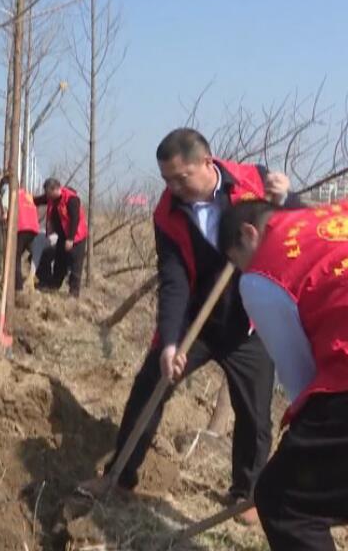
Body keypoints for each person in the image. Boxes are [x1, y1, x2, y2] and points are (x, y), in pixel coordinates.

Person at [77, 128, 300, 523]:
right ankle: (120, 474)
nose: (175, 187)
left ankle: (245, 493)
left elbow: (295, 225)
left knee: (254, 413)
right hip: (197, 320)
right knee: (150, 387)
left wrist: (287, 198)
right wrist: (169, 342)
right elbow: (174, 278)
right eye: (167, 180)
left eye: (182, 177)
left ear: (207, 162)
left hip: (249, 321)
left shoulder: (253, 181)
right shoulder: (167, 213)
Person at [219, 200, 348, 550]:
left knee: (282, 501)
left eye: (238, 261)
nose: (242, 271)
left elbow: (302, 379)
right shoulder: (334, 211)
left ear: (249, 234)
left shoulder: (262, 275)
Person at [34, 178, 88, 297]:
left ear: (55, 189)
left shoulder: (71, 199)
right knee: (59, 262)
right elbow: (37, 200)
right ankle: (54, 286)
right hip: (62, 235)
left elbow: (75, 219)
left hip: (76, 237)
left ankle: (74, 293)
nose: (47, 196)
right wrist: (25, 198)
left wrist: (70, 239)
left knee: (75, 265)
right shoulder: (52, 198)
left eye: (48, 193)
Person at [15, 187, 40, 290]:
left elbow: (5, 209)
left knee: (15, 258)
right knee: (35, 254)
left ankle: (17, 287)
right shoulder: (28, 195)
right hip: (33, 229)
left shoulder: (13, 192)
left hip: (22, 227)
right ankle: (40, 279)